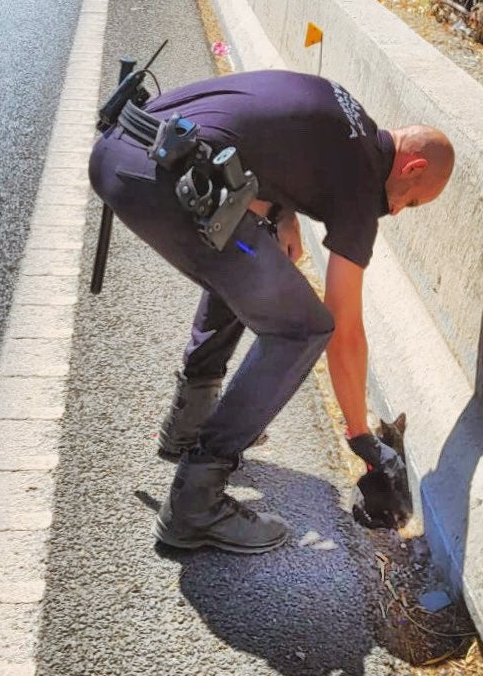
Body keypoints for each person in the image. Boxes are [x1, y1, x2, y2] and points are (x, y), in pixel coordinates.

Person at [88, 69, 455, 556]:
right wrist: (363, 439)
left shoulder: (344, 107)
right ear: (411, 170)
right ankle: (196, 502)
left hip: (120, 146)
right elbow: (344, 328)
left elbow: (263, 135)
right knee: (304, 327)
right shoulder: (361, 186)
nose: (401, 210)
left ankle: (189, 423)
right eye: (410, 201)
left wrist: (282, 214)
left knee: (255, 257)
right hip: (161, 182)